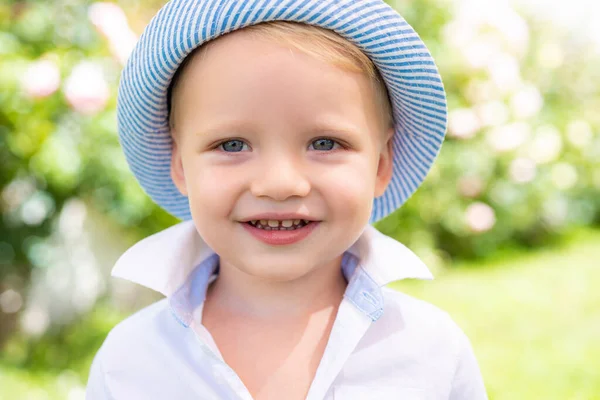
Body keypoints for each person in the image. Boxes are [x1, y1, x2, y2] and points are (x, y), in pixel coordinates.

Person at [86, 0, 488, 399]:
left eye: (325, 143)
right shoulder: (130, 362)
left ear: (381, 164)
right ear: (180, 165)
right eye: (232, 144)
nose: (279, 184)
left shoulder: (430, 352)